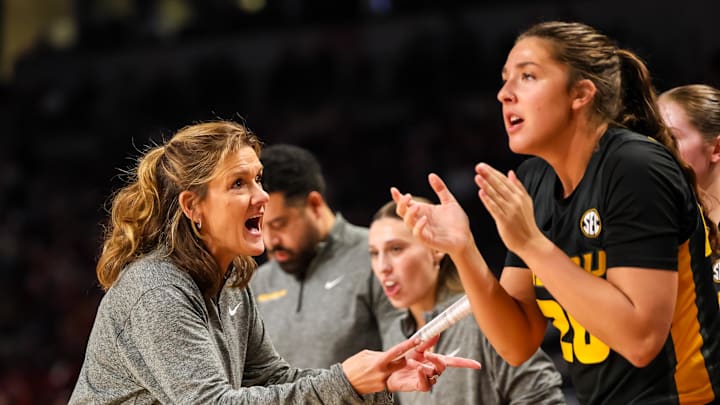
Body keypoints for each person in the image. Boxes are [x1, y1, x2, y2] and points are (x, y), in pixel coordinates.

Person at [391, 21, 720, 404]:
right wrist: (463, 249)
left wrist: (532, 244)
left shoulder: (635, 166)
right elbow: (517, 341)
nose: (503, 94)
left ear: (580, 94)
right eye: (504, 79)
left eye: (527, 76)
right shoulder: (535, 180)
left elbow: (641, 340)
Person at [69, 120, 480, 404]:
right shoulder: (157, 290)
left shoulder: (230, 282)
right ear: (194, 206)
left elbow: (272, 380)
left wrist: (376, 382)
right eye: (238, 184)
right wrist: (344, 382)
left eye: (258, 178)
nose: (262, 196)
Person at [369, 198, 566, 404]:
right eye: (374, 253)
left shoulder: (482, 317)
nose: (383, 267)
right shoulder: (394, 335)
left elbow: (545, 399)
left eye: (396, 249)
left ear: (436, 250)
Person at [250, 144, 401, 369]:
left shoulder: (378, 259)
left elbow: (403, 364)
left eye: (279, 224)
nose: (270, 241)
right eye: (260, 227)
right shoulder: (259, 282)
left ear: (315, 204)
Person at [659, 84, 720, 303]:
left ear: (716, 149)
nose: (658, 150)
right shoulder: (658, 222)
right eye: (655, 138)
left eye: (671, 138)